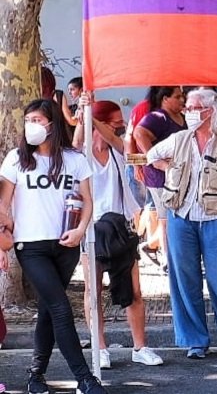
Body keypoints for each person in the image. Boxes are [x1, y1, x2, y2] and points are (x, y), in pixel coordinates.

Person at [0, 99, 109, 394]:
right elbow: (2, 204)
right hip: (30, 246)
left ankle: (36, 375)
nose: (31, 126)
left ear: (52, 124)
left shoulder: (74, 159)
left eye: (37, 120)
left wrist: (80, 230)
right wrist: (1, 243)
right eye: (28, 120)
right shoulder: (16, 159)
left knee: (50, 310)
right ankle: (85, 378)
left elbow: (88, 201)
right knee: (61, 308)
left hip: (65, 244)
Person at [146, 89, 217, 361]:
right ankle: (195, 341)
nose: (188, 112)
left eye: (194, 108)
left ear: (210, 111)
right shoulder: (179, 139)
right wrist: (169, 168)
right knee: (184, 282)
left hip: (216, 220)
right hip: (180, 218)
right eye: (187, 107)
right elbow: (151, 154)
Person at [73, 99, 164, 369]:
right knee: (93, 290)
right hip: (92, 228)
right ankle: (100, 348)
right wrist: (84, 115)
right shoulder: (81, 156)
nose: (121, 128)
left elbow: (116, 141)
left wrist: (93, 119)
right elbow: (76, 144)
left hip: (121, 227)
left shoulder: (117, 150)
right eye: (115, 123)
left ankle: (140, 347)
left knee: (134, 290)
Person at [133, 86, 187, 265]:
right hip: (160, 179)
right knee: (166, 220)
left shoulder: (181, 116)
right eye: (177, 97)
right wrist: (156, 161)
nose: (182, 100)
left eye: (182, 96)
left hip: (177, 177)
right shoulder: (158, 117)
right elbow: (139, 133)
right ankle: (169, 261)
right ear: (165, 99)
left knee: (175, 218)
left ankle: (157, 248)